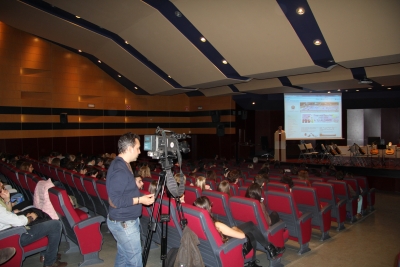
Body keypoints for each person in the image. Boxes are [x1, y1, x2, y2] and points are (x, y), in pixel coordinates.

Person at [106, 132, 155, 267]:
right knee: (135, 262)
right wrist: (140, 200)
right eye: (138, 148)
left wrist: (133, 183)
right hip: (124, 224)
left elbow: (121, 187)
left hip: (123, 222)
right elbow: (115, 201)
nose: (140, 152)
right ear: (129, 149)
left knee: (123, 257)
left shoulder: (121, 163)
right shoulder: (120, 170)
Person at [194, 196, 284, 267]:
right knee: (250, 230)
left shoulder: (197, 222)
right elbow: (241, 236)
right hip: (229, 248)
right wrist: (234, 228)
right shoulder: (217, 225)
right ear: (208, 208)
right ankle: (270, 248)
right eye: (210, 205)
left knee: (250, 228)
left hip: (213, 250)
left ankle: (253, 261)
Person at [0, 204, 66, 267]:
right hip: (13, 236)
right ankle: (50, 263)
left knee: (43, 221)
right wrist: (30, 218)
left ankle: (45, 255)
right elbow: (18, 221)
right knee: (55, 225)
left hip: (10, 233)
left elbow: (7, 217)